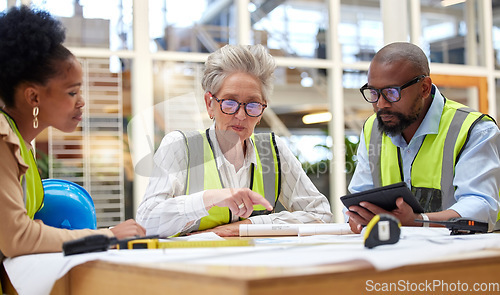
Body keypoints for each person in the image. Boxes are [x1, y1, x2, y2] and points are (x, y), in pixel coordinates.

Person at [137, 44, 333, 237]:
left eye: (253, 105)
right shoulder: (181, 147)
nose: (241, 115)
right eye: (229, 103)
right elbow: (146, 222)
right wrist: (209, 199)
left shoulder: (273, 150)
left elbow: (320, 214)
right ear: (210, 104)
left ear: (262, 109)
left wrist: (247, 226)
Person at [0, 6, 145, 260]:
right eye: (72, 92)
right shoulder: (3, 140)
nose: (81, 102)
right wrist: (108, 235)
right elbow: (17, 237)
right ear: (33, 96)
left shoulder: (21, 142)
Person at [346, 42, 500, 233]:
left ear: (425, 88)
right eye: (373, 92)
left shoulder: (475, 129)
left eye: (392, 92)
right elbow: (361, 197)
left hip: (461, 257)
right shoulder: (372, 128)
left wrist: (419, 221)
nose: (381, 104)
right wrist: (358, 218)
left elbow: (481, 206)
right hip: (395, 254)